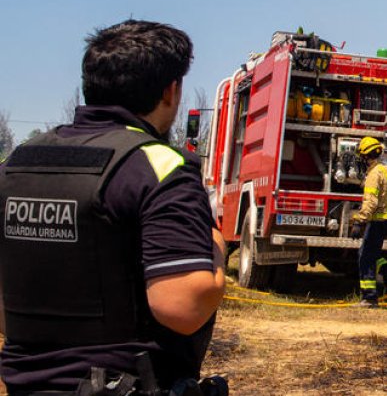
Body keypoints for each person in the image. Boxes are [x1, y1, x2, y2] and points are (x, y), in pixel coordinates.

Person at [0, 20, 227, 395]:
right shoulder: (160, 167)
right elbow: (184, 307)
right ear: (170, 91)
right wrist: (215, 248)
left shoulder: (18, 164)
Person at [349, 136, 387, 307]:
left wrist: (359, 221)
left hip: (377, 221)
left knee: (365, 257)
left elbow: (371, 202)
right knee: (372, 254)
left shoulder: (373, 174)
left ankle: (370, 297)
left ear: (366, 156)